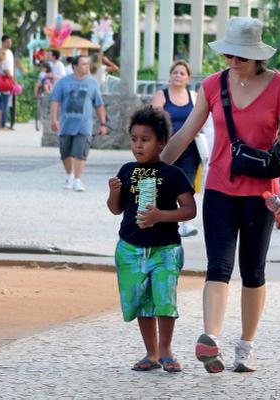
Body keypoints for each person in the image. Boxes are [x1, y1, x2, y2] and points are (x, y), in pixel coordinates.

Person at [160, 17, 280, 374]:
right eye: (229, 55)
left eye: (240, 56)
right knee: (218, 267)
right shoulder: (212, 85)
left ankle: (246, 346)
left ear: (257, 57)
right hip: (220, 187)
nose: (232, 61)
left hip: (262, 194)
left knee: (253, 270)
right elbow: (186, 133)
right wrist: (151, 169)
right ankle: (211, 338)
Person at [106, 105, 197, 374]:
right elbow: (116, 209)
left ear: (161, 142)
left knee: (164, 300)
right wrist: (113, 192)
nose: (138, 146)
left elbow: (190, 210)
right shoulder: (127, 170)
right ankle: (151, 352)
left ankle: (167, 350)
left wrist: (160, 215)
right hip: (131, 248)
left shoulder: (173, 174)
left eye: (145, 140)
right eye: (134, 139)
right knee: (142, 302)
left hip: (165, 249)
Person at [151, 60, 201, 238]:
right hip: (167, 148)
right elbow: (153, 120)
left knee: (188, 183)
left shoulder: (194, 96)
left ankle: (186, 223)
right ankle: (164, 219)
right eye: (175, 72)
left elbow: (203, 118)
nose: (178, 76)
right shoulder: (161, 95)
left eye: (182, 73)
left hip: (190, 148)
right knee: (165, 182)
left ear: (188, 78)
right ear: (170, 76)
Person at [50, 55, 109, 192]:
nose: (87, 66)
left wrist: (103, 123)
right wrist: (54, 120)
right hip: (66, 124)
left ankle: (77, 179)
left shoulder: (92, 83)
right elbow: (55, 101)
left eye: (88, 64)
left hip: (84, 125)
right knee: (65, 154)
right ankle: (70, 175)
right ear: (74, 66)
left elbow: (99, 105)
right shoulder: (63, 82)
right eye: (83, 64)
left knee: (81, 153)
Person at [0, 47, 12, 130]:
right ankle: (3, 124)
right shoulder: (5, 62)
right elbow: (8, 73)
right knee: (4, 105)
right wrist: (13, 81)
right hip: (5, 86)